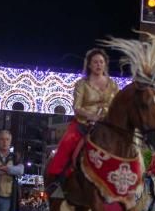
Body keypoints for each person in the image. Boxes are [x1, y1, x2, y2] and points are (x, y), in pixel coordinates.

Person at [45, 48, 118, 191]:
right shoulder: (81, 84)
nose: (98, 65)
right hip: (83, 124)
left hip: (106, 125)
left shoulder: (113, 85)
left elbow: (116, 105)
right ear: (89, 65)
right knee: (66, 144)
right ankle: (57, 180)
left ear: (105, 65)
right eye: (95, 62)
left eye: (101, 62)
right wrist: (92, 116)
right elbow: (76, 107)